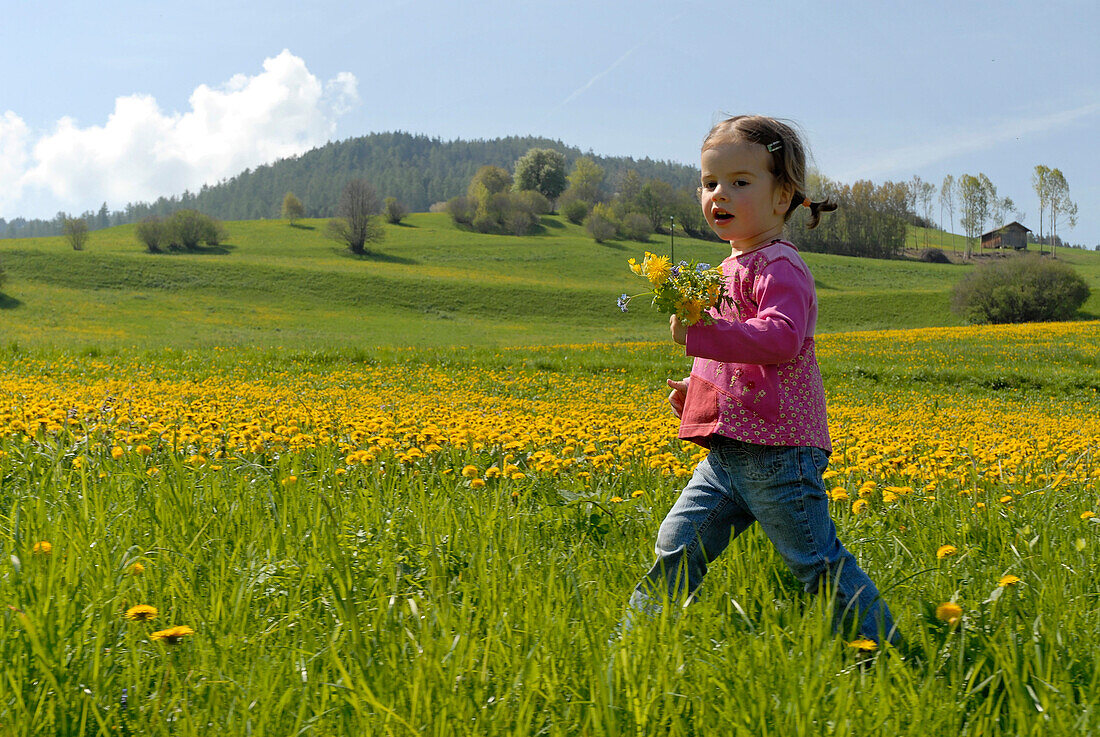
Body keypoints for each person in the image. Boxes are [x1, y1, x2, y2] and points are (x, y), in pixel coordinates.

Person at [626, 115, 898, 647]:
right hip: (730, 452)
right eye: (709, 183)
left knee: (815, 563)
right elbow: (736, 351)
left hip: (778, 451)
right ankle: (637, 645)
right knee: (677, 543)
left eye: (739, 182)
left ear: (783, 198)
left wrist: (702, 336)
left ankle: (884, 652)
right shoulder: (725, 270)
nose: (718, 194)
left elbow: (778, 340)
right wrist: (699, 390)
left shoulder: (779, 266)